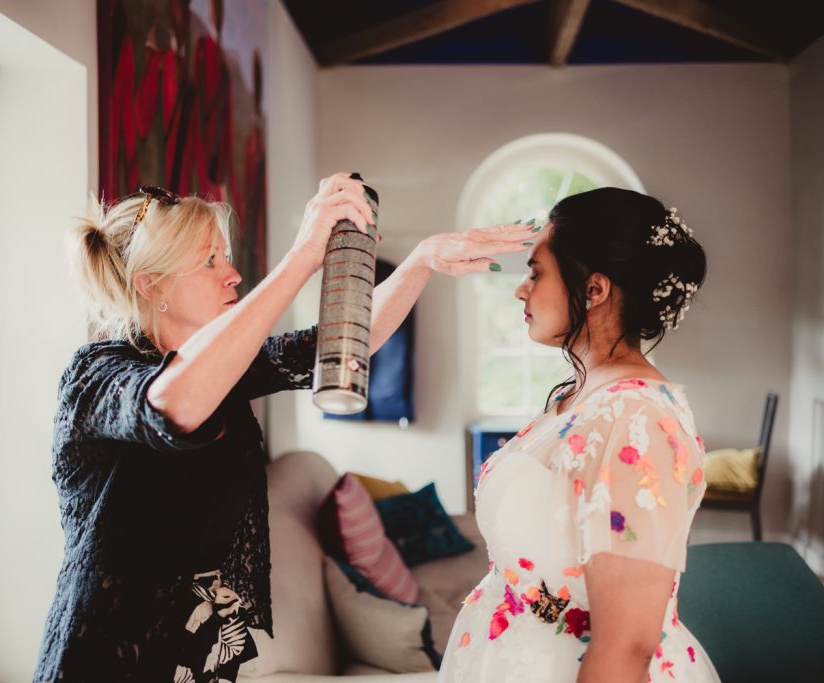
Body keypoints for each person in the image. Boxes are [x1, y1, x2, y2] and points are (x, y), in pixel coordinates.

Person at [33, 173, 536, 683]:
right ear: (151, 285)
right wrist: (301, 257)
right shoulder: (95, 374)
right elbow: (170, 404)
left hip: (199, 652)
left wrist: (424, 259)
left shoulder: (226, 371)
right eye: (210, 260)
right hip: (110, 657)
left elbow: (344, 340)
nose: (231, 274)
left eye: (224, 256)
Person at [438, 187, 718, 683]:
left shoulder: (637, 417)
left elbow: (627, 642)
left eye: (535, 272)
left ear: (594, 290)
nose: (521, 289)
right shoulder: (581, 394)